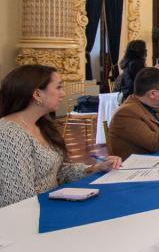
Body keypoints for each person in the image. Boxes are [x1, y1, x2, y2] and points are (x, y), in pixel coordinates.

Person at [0, 64, 121, 208]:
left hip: (48, 205)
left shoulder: (42, 124)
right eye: (58, 87)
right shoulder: (10, 134)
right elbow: (18, 199)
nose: (63, 93)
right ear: (37, 95)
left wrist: (97, 167)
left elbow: (60, 171)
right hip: (32, 215)